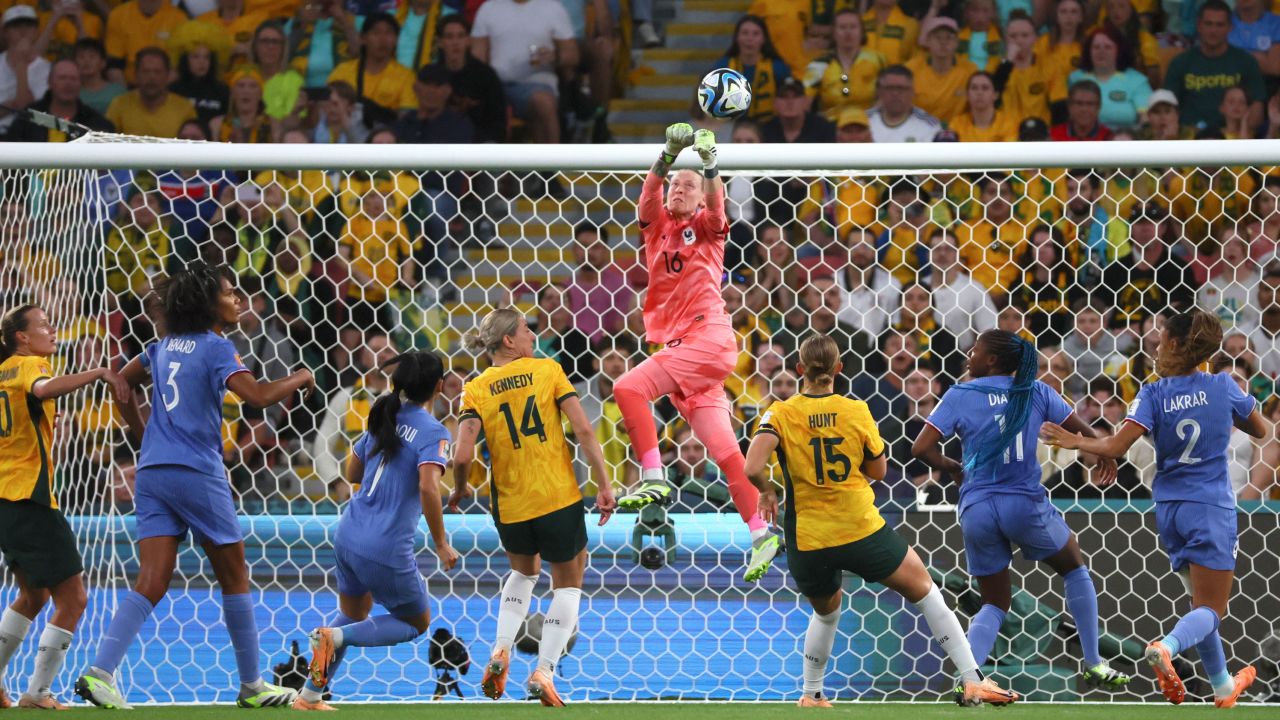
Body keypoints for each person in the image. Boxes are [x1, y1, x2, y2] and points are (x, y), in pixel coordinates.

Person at [75, 263, 314, 710]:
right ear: (207, 304)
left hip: (153, 471)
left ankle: (100, 672)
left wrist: (142, 433)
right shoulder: (217, 347)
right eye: (230, 292)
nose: (238, 299)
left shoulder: (160, 347)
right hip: (196, 472)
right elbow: (258, 397)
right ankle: (252, 686)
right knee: (235, 573)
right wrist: (301, 376)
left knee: (151, 578)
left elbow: (120, 382)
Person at [744, 335, 1019, 708]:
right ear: (839, 370)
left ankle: (811, 694)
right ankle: (972, 681)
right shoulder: (855, 410)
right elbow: (878, 469)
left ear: (798, 371)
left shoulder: (778, 413)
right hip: (859, 528)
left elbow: (752, 467)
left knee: (826, 614)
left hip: (808, 536)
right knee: (925, 590)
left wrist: (767, 491)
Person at [1041, 310, 1265, 708]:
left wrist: (1076, 442)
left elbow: (1113, 447)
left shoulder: (1152, 393)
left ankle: (1223, 687)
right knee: (1212, 609)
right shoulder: (1223, 385)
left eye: (1162, 339)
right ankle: (1168, 646)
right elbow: (1261, 429)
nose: (1157, 346)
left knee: (1200, 606)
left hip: (1170, 509)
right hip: (1211, 506)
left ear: (1177, 345)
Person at [911, 329, 1131, 691]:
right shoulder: (1038, 391)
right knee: (1074, 567)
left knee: (994, 601)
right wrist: (1102, 453)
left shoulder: (959, 394)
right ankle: (1093, 662)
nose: (969, 354)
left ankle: (969, 677)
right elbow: (1083, 431)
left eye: (976, 349)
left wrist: (951, 466)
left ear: (993, 359)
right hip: (1023, 503)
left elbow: (920, 449)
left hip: (977, 506)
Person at [610, 123, 781, 583]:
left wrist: (709, 167)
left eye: (689, 186)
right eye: (675, 186)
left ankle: (653, 475)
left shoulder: (707, 230)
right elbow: (647, 196)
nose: (679, 191)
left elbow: (719, 207)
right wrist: (666, 155)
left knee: (627, 386)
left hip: (706, 337)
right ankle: (761, 531)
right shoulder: (656, 229)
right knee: (728, 455)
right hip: (690, 351)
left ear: (702, 196)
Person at [448, 308, 615, 706]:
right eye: (525, 330)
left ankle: (501, 649)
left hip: (507, 501)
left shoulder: (476, 387)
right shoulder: (548, 371)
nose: (531, 335)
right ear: (508, 340)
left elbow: (462, 455)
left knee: (523, 574)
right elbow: (584, 429)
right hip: (556, 495)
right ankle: (544, 671)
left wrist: (457, 491)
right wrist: (605, 484)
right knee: (569, 583)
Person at [297, 352, 459, 711]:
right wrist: (441, 543)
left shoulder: (382, 416)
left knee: (353, 612)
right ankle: (334, 637)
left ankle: (308, 696)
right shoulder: (434, 432)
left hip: (349, 534)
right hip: (385, 544)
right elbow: (429, 488)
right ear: (438, 386)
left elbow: (352, 474)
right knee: (416, 622)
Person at [0, 305, 131, 709]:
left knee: (33, 595)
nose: (52, 330)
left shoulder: (1, 371)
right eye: (43, 325)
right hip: (30, 498)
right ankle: (38, 693)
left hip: (5, 498)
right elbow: (42, 389)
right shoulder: (29, 366)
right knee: (73, 599)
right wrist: (97, 372)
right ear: (22, 336)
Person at [471, 0, 578, 144]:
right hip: (496, 85)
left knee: (544, 102)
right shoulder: (489, 8)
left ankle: (552, 161)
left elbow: (572, 55)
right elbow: (477, 57)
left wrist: (555, 56)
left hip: (536, 84)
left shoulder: (552, 7)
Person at [1165, 0, 1265, 131]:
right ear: (1199, 25)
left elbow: (1258, 108)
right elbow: (1166, 107)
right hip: (1190, 140)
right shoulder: (1180, 63)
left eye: (1220, 25)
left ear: (1230, 27)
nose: (1213, 30)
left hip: (1233, 139)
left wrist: (1239, 135)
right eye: (1208, 24)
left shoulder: (1246, 61)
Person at [4, 58, 113, 142]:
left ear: (80, 84)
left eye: (73, 78)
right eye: (62, 78)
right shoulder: (28, 118)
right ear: (50, 82)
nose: (68, 83)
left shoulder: (95, 122)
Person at [804, 8, 884, 121]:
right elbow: (804, 104)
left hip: (867, 123)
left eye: (853, 27)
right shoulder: (819, 64)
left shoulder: (878, 59)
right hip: (831, 127)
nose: (848, 32)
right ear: (834, 33)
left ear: (862, 32)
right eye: (842, 27)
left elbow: (888, 94)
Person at [436, 15, 505, 143]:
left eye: (460, 36)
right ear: (439, 42)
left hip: (479, 142)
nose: (455, 42)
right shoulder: (431, 75)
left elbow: (498, 120)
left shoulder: (486, 75)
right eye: (449, 37)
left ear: (468, 41)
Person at [1068, 26, 1151, 130]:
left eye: (1108, 47)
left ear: (1119, 51)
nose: (1101, 52)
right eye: (1096, 47)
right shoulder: (1076, 78)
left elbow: (1146, 119)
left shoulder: (1137, 80)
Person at [711, 14, 791, 122]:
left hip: (769, 126)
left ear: (763, 39)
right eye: (745, 33)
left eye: (756, 34)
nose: (750, 39)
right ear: (737, 38)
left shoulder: (778, 69)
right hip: (731, 126)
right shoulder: (723, 67)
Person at [105, 48, 197, 139]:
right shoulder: (119, 105)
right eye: (146, 71)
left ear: (168, 75)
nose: (151, 77)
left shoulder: (184, 108)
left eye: (157, 72)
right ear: (136, 74)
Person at [906, 16, 978, 125]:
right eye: (937, 37)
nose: (943, 42)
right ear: (928, 41)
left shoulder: (970, 70)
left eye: (949, 38)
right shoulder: (911, 68)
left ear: (957, 43)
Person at [0, 6, 50, 136]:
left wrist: (21, 66)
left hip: (31, 138)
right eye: (16, 26)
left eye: (28, 25)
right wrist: (14, 104)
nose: (23, 31)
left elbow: (28, 111)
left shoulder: (47, 69)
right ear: (5, 32)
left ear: (36, 31)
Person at [867, 64, 942, 143]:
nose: (895, 93)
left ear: (912, 92)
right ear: (879, 91)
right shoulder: (864, 121)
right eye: (890, 88)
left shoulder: (929, 126)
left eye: (901, 88)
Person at [949, 71, 1018, 141]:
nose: (979, 92)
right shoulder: (957, 124)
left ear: (995, 95)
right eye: (974, 88)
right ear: (967, 95)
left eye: (985, 88)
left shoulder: (1009, 124)